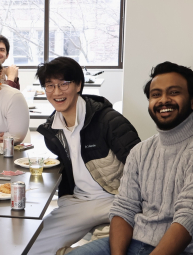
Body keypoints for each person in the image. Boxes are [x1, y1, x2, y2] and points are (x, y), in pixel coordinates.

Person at [68, 62, 193, 255]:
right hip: (134, 242)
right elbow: (124, 208)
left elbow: (190, 218)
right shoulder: (141, 151)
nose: (164, 100)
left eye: (173, 92)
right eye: (156, 95)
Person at [29, 57, 140, 255]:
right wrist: (65, 198)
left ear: (79, 85)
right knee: (28, 247)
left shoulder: (109, 121)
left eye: (64, 84)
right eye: (50, 86)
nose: (56, 92)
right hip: (80, 201)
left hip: (116, 200)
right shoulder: (52, 131)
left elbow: (142, 169)